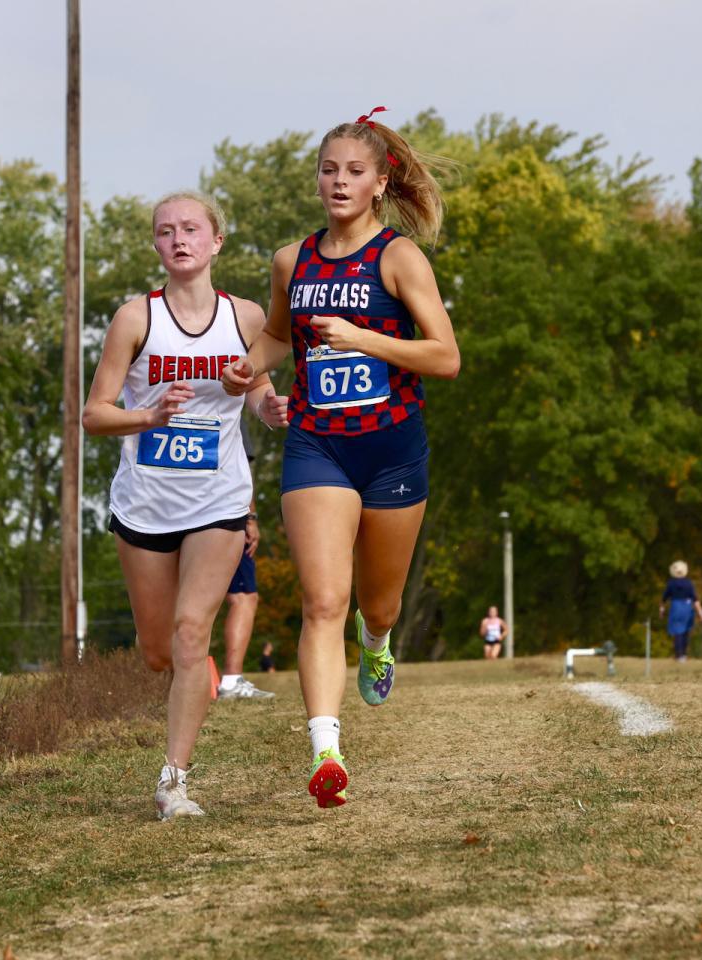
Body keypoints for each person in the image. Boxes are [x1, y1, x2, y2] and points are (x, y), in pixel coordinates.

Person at [223, 107, 460, 808]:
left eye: (354, 171)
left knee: (375, 603)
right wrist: (247, 367)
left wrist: (364, 338)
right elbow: (278, 337)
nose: (338, 182)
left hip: (391, 451)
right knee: (323, 600)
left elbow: (444, 357)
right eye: (329, 170)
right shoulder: (290, 261)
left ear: (380, 183)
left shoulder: (398, 258)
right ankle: (327, 751)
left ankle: (378, 639)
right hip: (317, 444)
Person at [82, 190, 288, 820]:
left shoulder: (248, 318)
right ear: (157, 246)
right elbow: (94, 414)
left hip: (218, 498)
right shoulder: (135, 319)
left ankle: (174, 780)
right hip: (145, 506)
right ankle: (192, 684)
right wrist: (148, 414)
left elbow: (256, 392)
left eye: (192, 229)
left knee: (191, 630)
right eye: (166, 231)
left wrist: (270, 409)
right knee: (160, 652)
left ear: (216, 242)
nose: (180, 239)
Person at [217, 418, 275, 699]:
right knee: (243, 597)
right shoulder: (226, 391)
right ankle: (230, 680)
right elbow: (241, 465)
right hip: (222, 509)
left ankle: (166, 680)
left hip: (163, 511)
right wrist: (250, 516)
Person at [659, 560, 702, 662]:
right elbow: (695, 599)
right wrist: (701, 613)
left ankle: (678, 655)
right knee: (685, 631)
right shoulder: (689, 583)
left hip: (675, 607)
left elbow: (664, 599)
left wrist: (661, 611)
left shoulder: (671, 584)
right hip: (687, 608)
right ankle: (684, 654)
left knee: (677, 631)